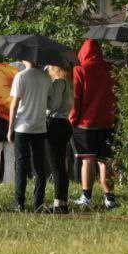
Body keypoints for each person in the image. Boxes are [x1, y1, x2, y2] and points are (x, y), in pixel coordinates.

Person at [72, 39, 119, 209]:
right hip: (107, 121)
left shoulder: (80, 69)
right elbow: (117, 94)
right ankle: (109, 197)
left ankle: (87, 197)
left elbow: (76, 97)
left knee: (87, 160)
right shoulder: (111, 68)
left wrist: (73, 119)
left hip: (86, 123)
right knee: (105, 161)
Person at [8, 60, 51, 212]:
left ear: (26, 59)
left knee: (21, 165)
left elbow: (14, 104)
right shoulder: (46, 78)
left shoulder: (21, 76)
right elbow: (49, 102)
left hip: (22, 127)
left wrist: (10, 128)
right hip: (40, 127)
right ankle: (38, 203)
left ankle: (19, 202)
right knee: (40, 167)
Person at [45, 64, 74, 214]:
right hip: (65, 123)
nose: (47, 69)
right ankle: (63, 201)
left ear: (55, 69)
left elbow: (53, 105)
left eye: (49, 67)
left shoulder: (58, 83)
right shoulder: (69, 83)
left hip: (55, 123)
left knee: (55, 165)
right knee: (62, 165)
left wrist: (43, 101)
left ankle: (57, 203)